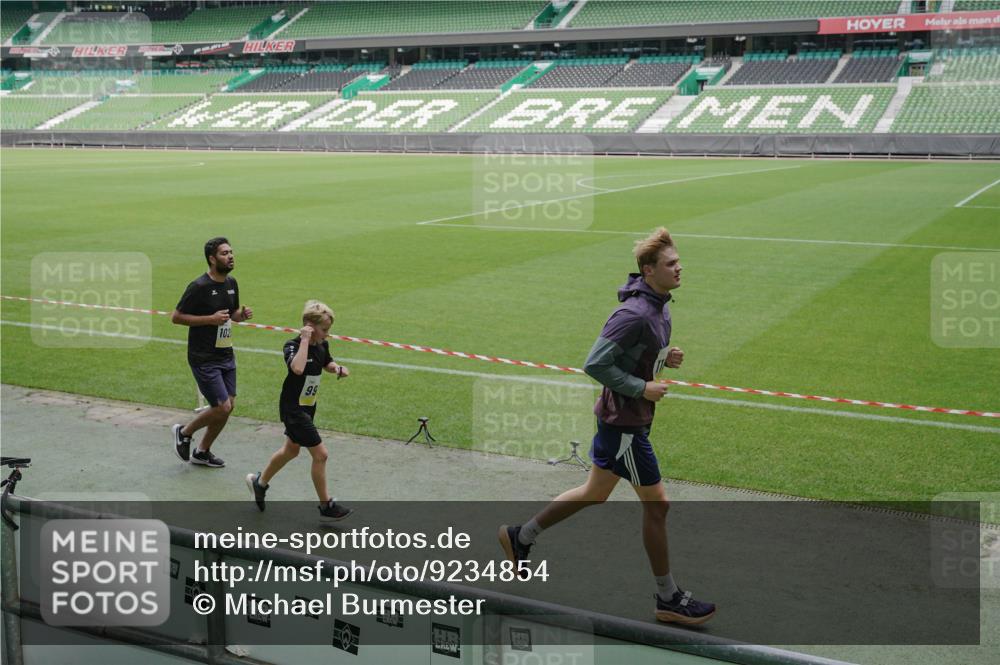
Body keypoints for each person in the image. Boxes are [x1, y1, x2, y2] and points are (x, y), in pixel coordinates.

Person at [499, 227, 715, 626]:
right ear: (649, 271)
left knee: (595, 492)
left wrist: (666, 357)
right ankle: (668, 598)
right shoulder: (632, 313)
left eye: (678, 261)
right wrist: (640, 387)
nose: (679, 268)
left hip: (625, 420)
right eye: (671, 264)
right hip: (625, 427)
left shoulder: (659, 305)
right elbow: (595, 363)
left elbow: (636, 353)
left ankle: (521, 536)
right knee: (658, 506)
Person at [246, 300, 353, 521]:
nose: (327, 334)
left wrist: (337, 369)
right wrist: (304, 340)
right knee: (321, 455)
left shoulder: (322, 345)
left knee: (291, 450)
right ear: (309, 326)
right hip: (293, 408)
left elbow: (326, 363)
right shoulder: (292, 345)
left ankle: (260, 482)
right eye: (324, 330)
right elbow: (297, 368)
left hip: (308, 406)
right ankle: (326, 504)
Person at [170, 237, 252, 468]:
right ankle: (184, 432)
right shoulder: (198, 287)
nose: (231, 256)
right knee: (221, 407)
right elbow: (176, 317)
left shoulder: (231, 283)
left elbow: (231, 314)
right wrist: (210, 320)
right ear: (212, 258)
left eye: (231, 252)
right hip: (203, 357)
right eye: (225, 253)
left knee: (229, 407)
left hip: (226, 355)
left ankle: (202, 451)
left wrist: (240, 316)